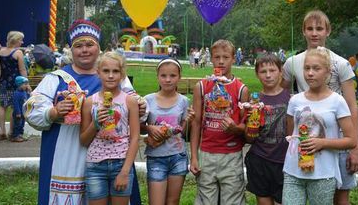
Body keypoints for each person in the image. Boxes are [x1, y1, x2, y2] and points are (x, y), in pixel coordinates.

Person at [24, 19, 143, 204]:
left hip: (111, 154)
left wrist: (141, 106)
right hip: (67, 151)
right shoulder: (56, 78)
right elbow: (31, 108)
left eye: (90, 44)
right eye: (78, 46)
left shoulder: (113, 76)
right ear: (71, 49)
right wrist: (54, 112)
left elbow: (134, 102)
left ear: (98, 47)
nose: (85, 50)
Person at [281, 10, 358, 205]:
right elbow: (282, 94)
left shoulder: (341, 64)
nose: (314, 33)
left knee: (340, 197)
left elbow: (352, 106)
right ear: (303, 31)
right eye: (310, 28)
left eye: (319, 28)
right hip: (304, 138)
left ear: (328, 31)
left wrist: (356, 148)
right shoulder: (293, 62)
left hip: (337, 137)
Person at [190, 39, 250, 205]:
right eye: (217, 57)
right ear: (211, 59)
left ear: (233, 58)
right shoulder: (201, 87)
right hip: (207, 154)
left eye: (226, 57)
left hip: (231, 155)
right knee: (206, 200)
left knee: (232, 200)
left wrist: (235, 128)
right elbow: (196, 123)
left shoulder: (241, 89)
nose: (221, 61)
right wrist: (194, 156)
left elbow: (246, 128)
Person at [80, 52, 140, 204]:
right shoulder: (89, 102)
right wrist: (95, 124)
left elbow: (134, 138)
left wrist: (125, 171)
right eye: (106, 71)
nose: (111, 76)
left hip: (121, 163)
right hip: (95, 165)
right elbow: (83, 141)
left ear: (122, 74)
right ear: (98, 72)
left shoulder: (130, 101)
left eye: (116, 71)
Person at [143, 58, 195, 205]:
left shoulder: (184, 101)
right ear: (157, 77)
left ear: (179, 77)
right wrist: (149, 128)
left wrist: (188, 121)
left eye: (172, 76)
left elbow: (182, 132)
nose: (168, 80)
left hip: (178, 156)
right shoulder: (148, 100)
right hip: (156, 157)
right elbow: (139, 125)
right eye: (163, 76)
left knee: (173, 202)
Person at [244, 53, 290, 205]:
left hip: (285, 161)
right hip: (259, 159)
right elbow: (249, 138)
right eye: (263, 71)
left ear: (281, 71)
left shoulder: (291, 98)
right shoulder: (254, 101)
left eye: (272, 70)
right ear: (257, 74)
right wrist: (251, 122)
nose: (268, 75)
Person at [0, 31, 28, 141]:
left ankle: (1, 131)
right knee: (14, 108)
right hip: (16, 84)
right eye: (21, 40)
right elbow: (22, 69)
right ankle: (12, 132)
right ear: (15, 40)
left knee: (2, 106)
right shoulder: (18, 53)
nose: (22, 42)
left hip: (3, 83)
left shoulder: (1, 51)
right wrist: (26, 83)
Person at [11, 75, 30, 142]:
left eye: (27, 84)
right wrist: (18, 112)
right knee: (17, 124)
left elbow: (27, 100)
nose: (27, 85)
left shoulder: (24, 92)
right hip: (18, 113)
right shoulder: (17, 94)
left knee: (22, 124)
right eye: (25, 84)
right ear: (19, 85)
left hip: (23, 112)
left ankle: (20, 135)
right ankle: (15, 136)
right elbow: (15, 104)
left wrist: (28, 93)